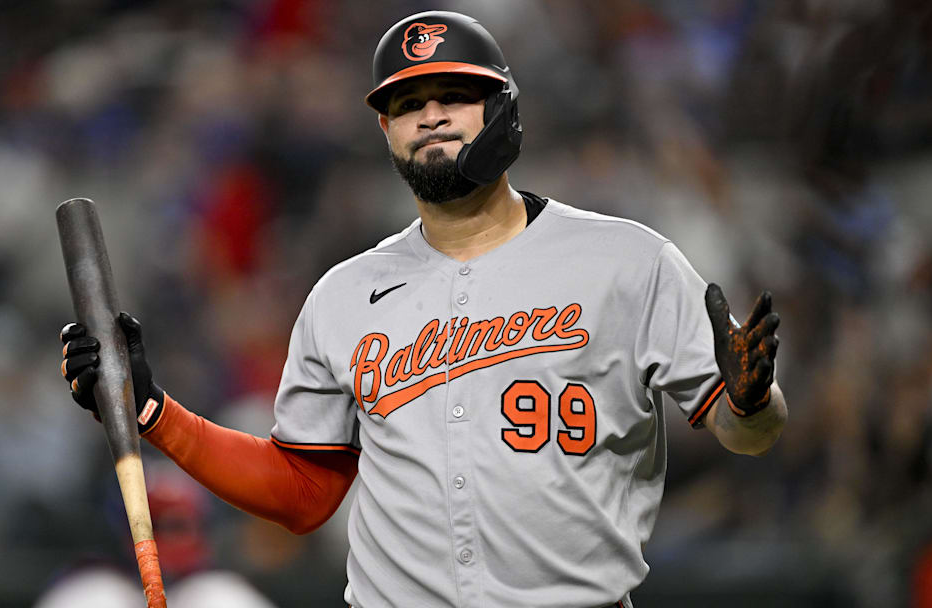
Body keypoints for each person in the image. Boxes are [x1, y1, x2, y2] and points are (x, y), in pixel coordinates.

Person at [59, 11, 787, 608]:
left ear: (503, 107)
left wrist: (751, 404)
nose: (431, 117)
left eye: (454, 96)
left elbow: (748, 434)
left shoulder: (629, 261)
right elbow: (304, 492)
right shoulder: (343, 295)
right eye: (407, 104)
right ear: (385, 131)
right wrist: (153, 409)